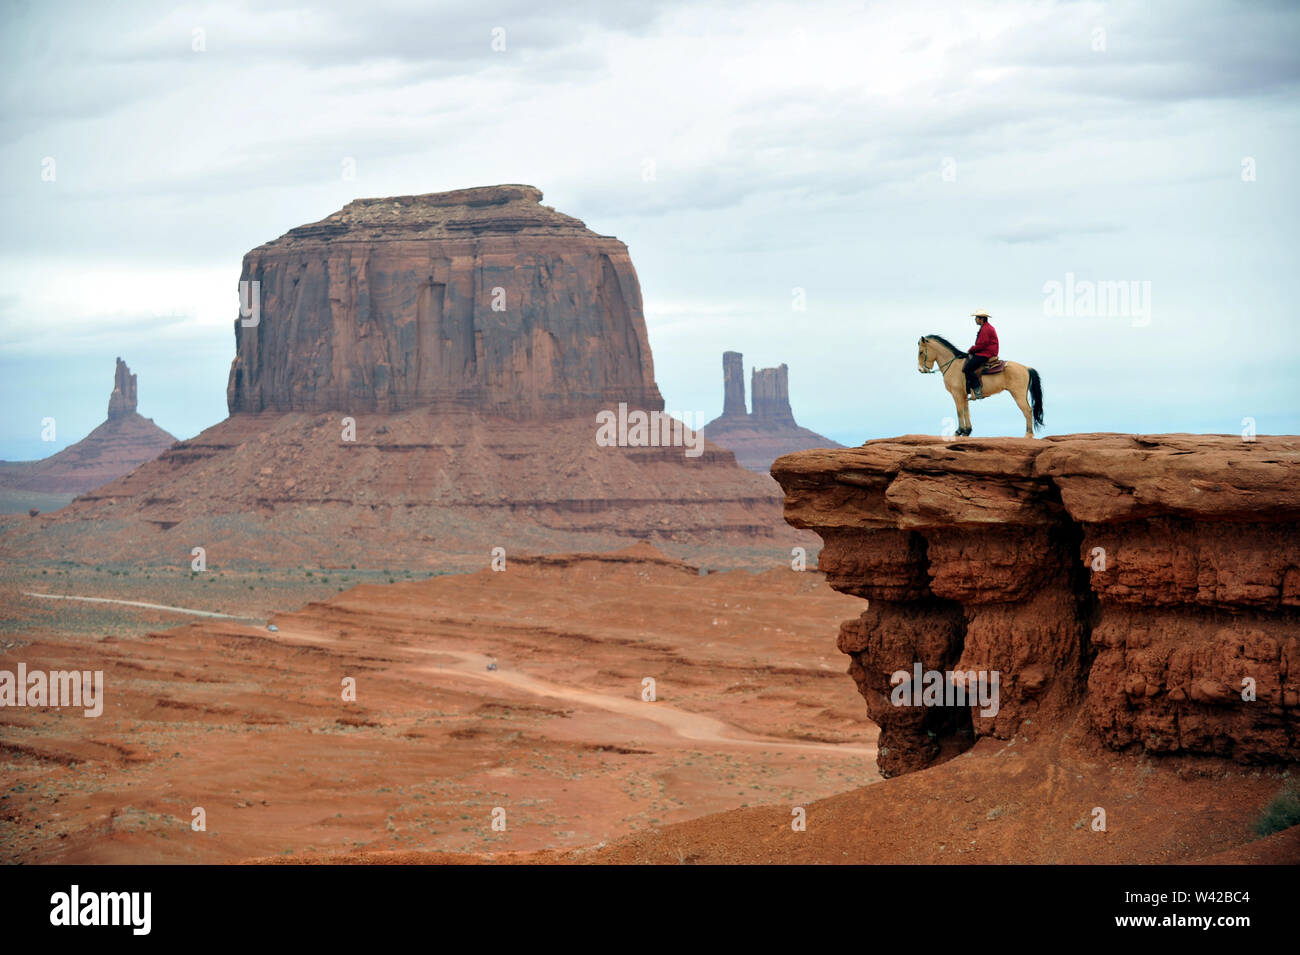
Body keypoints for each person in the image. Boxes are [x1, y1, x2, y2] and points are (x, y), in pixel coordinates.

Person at [964, 311, 999, 399]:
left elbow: (982, 345)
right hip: (985, 351)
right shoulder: (985, 327)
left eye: (976, 318)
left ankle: (977, 390)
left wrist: (971, 349)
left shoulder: (986, 329)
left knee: (967, 368)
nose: (975, 320)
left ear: (981, 319)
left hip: (986, 353)